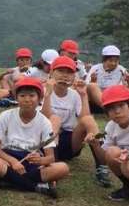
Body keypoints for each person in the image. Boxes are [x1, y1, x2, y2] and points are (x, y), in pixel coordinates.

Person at [0, 77, 68, 197]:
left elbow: (50, 158)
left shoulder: (44, 122)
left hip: (31, 161)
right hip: (9, 158)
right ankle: (36, 186)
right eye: (22, 96)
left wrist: (40, 160)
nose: (27, 99)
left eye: (31, 95)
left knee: (62, 168)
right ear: (16, 98)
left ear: (40, 99)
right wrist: (13, 161)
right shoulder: (5, 116)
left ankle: (8, 180)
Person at [41, 56, 110, 187]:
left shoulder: (74, 94)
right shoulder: (42, 91)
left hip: (69, 141)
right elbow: (43, 118)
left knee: (89, 120)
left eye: (69, 72)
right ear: (51, 72)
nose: (65, 75)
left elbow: (85, 118)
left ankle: (102, 167)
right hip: (45, 142)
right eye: (60, 71)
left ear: (74, 76)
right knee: (55, 120)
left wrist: (83, 95)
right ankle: (51, 167)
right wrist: (48, 95)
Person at [96, 85, 129, 201]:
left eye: (121, 105)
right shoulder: (111, 127)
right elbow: (105, 159)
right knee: (112, 152)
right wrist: (95, 144)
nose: (117, 111)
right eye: (111, 108)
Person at [86, 45, 129, 110]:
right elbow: (87, 87)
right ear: (104, 60)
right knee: (92, 85)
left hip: (114, 97)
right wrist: (93, 81)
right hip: (97, 100)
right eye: (110, 61)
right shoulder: (95, 69)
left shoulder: (121, 69)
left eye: (116, 61)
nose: (113, 63)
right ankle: (109, 108)